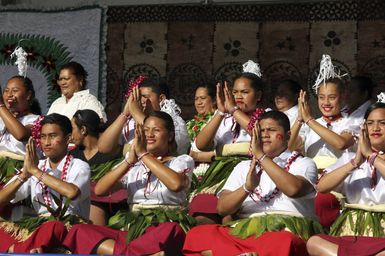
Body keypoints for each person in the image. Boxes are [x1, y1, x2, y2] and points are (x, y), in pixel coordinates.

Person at [183, 111, 320, 256]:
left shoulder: (303, 163)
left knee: (284, 241)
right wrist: (247, 188)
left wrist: (261, 156)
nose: (265, 134)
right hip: (245, 230)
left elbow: (293, 189)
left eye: (272, 130)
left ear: (287, 136)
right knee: (198, 235)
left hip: (284, 229)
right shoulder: (244, 167)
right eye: (260, 131)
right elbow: (222, 208)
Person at [63, 111, 194, 255]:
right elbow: (100, 190)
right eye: (145, 130)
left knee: (171, 230)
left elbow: (175, 184)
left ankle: (128, 252)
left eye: (156, 130)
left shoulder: (181, 161)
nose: (149, 135)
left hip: (161, 226)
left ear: (170, 136)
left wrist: (143, 154)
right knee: (79, 231)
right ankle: (139, 253)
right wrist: (129, 161)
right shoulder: (134, 166)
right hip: (133, 229)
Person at [0, 113, 91, 253]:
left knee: (55, 227)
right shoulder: (36, 165)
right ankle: (23, 249)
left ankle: (18, 251)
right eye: (43, 137)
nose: (47, 142)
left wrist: (36, 172)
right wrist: (24, 175)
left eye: (53, 136)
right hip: (37, 229)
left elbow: (72, 192)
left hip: (68, 228)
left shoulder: (79, 166)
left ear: (67, 139)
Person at [307, 101, 385, 256]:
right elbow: (322, 187)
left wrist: (371, 155)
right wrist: (355, 162)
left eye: (382, 123)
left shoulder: (373, 158)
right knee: (314, 243)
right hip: (352, 232)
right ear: (364, 128)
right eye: (370, 123)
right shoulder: (350, 158)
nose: (375, 128)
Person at [98, 77, 189, 156]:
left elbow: (174, 148)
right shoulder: (130, 122)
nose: (141, 101)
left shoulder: (175, 121)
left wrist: (136, 112)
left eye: (145, 96)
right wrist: (125, 113)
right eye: (138, 96)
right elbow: (103, 148)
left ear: (161, 98)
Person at [70, 109, 123, 226]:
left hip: (105, 203)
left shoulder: (110, 153)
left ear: (83, 130)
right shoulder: (73, 155)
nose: (70, 134)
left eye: (72, 128)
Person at [0, 76, 41, 184]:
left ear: (28, 95)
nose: (9, 94)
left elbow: (21, 134)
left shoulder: (39, 120)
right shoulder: (2, 117)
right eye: (6, 91)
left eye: (15, 90)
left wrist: (1, 105)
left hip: (18, 172)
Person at [187, 83, 216, 163]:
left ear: (214, 100)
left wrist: (196, 156)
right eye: (196, 99)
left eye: (203, 98)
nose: (199, 102)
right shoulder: (189, 124)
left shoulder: (220, 122)